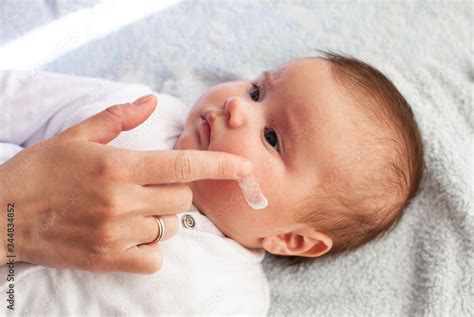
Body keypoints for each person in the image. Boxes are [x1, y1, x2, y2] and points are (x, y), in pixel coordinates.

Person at [0, 51, 424, 314]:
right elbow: (17, 97)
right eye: (258, 90)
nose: (237, 105)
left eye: (272, 138)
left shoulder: (231, 300)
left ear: (292, 240)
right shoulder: (141, 112)